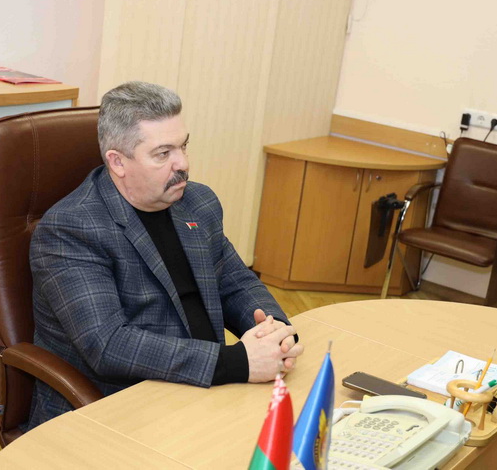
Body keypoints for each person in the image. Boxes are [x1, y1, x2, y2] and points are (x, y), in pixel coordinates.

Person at [27, 81, 304, 430]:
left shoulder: (198, 202)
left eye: (183, 146)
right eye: (163, 153)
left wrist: (275, 332)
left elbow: (236, 282)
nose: (183, 163)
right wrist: (237, 362)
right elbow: (108, 345)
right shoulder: (71, 229)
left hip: (206, 388)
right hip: (115, 407)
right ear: (118, 162)